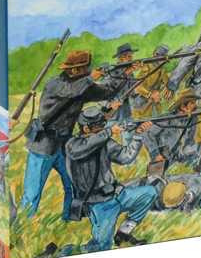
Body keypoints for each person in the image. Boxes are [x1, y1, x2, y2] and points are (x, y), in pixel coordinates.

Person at [20, 50, 122, 220]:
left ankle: (69, 219)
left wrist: (122, 73)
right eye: (85, 69)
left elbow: (106, 91)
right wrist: (91, 78)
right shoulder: (55, 84)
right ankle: (22, 225)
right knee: (32, 193)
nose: (88, 71)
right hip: (43, 145)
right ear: (74, 70)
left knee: (74, 186)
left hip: (65, 145)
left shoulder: (82, 85)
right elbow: (71, 91)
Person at [64, 106, 157, 250]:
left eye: (103, 124)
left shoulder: (104, 141)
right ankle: (64, 252)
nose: (103, 127)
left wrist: (138, 135)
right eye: (99, 125)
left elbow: (126, 157)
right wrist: (109, 132)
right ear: (86, 129)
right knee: (102, 247)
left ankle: (124, 232)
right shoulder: (73, 145)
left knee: (149, 193)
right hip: (99, 203)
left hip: (117, 194)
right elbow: (80, 150)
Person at [126, 172, 201, 214]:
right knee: (123, 192)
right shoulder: (199, 186)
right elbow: (188, 198)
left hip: (157, 201)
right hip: (154, 187)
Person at [132, 44, 171, 118]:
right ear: (155, 55)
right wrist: (150, 94)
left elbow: (168, 84)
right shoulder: (146, 67)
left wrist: (161, 93)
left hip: (155, 104)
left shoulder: (162, 70)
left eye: (163, 57)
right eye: (160, 56)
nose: (162, 60)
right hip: (142, 104)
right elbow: (137, 86)